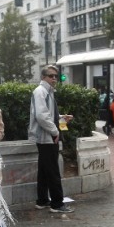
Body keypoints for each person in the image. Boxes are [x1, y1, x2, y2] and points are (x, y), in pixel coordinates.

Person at [29, 65, 74, 213]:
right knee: (53, 171)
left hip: (47, 137)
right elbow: (41, 116)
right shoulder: (41, 92)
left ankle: (42, 201)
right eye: (50, 75)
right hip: (46, 138)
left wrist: (61, 117)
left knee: (44, 170)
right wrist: (55, 132)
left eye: (55, 75)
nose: (54, 78)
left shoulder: (46, 92)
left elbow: (47, 114)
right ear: (43, 77)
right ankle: (57, 204)